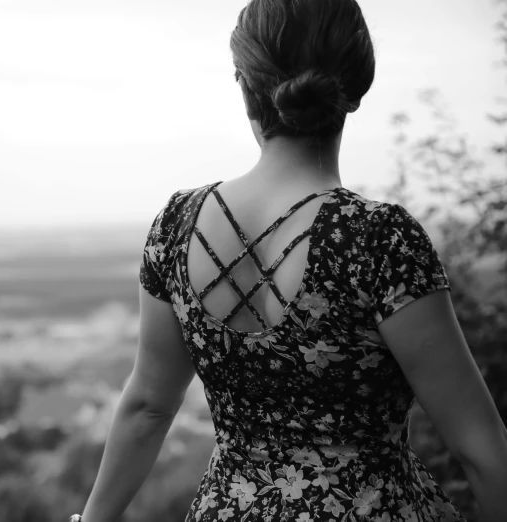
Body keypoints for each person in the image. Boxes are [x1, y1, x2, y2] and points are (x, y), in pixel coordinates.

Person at [69, 1, 507, 521]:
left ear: (243, 82)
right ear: (355, 86)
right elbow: (481, 451)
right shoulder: (378, 240)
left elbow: (148, 406)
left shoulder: (176, 225)